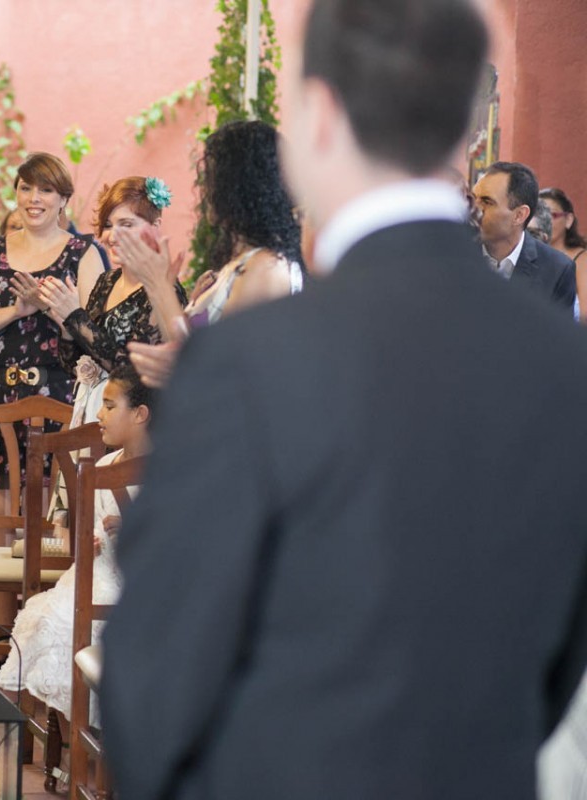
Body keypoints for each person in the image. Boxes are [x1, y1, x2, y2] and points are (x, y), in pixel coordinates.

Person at [101, 0, 587, 798]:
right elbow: (562, 658)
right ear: (472, 127)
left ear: (321, 113)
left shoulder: (252, 362)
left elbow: (152, 679)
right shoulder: (566, 367)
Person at [0, 364, 149, 722]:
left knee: (57, 620)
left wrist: (131, 527)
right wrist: (91, 541)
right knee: (40, 614)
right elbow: (92, 529)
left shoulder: (165, 472)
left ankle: (72, 732)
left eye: (111, 406)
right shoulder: (106, 463)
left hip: (130, 586)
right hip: (91, 573)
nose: (99, 413)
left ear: (141, 414)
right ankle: (49, 730)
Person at [0, 152, 104, 491]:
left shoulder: (83, 253)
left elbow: (96, 336)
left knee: (53, 518)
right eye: (26, 189)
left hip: (59, 396)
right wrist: (16, 311)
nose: (34, 199)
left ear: (64, 199)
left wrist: (51, 306)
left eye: (46, 190)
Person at [120, 120, 304, 389]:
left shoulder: (267, 268)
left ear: (242, 188)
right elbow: (184, 349)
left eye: (213, 180)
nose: (205, 191)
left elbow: (228, 372)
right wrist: (156, 284)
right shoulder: (241, 264)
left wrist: (159, 285)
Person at [39, 175, 187, 425]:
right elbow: (74, 365)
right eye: (108, 225)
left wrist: (76, 317)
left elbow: (133, 376)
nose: (112, 235)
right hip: (91, 414)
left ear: (155, 225)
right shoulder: (107, 281)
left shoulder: (164, 291)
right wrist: (66, 323)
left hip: (136, 424)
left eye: (126, 224)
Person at [473, 161, 576, 313]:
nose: (476, 209)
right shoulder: (453, 253)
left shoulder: (556, 270)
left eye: (487, 202)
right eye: (474, 198)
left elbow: (556, 335)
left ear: (519, 215)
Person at [539, 187, 587, 321]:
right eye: (539, 215)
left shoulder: (582, 261)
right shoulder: (528, 255)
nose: (545, 222)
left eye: (552, 215)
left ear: (568, 220)